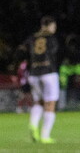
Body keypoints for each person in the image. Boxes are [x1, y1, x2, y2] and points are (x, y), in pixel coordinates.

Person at [16, 16, 60, 144]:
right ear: (50, 26)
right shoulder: (51, 38)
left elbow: (20, 51)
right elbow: (55, 52)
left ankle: (33, 124)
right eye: (53, 26)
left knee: (38, 102)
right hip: (49, 73)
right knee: (50, 104)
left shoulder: (32, 38)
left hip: (34, 73)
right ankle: (45, 136)